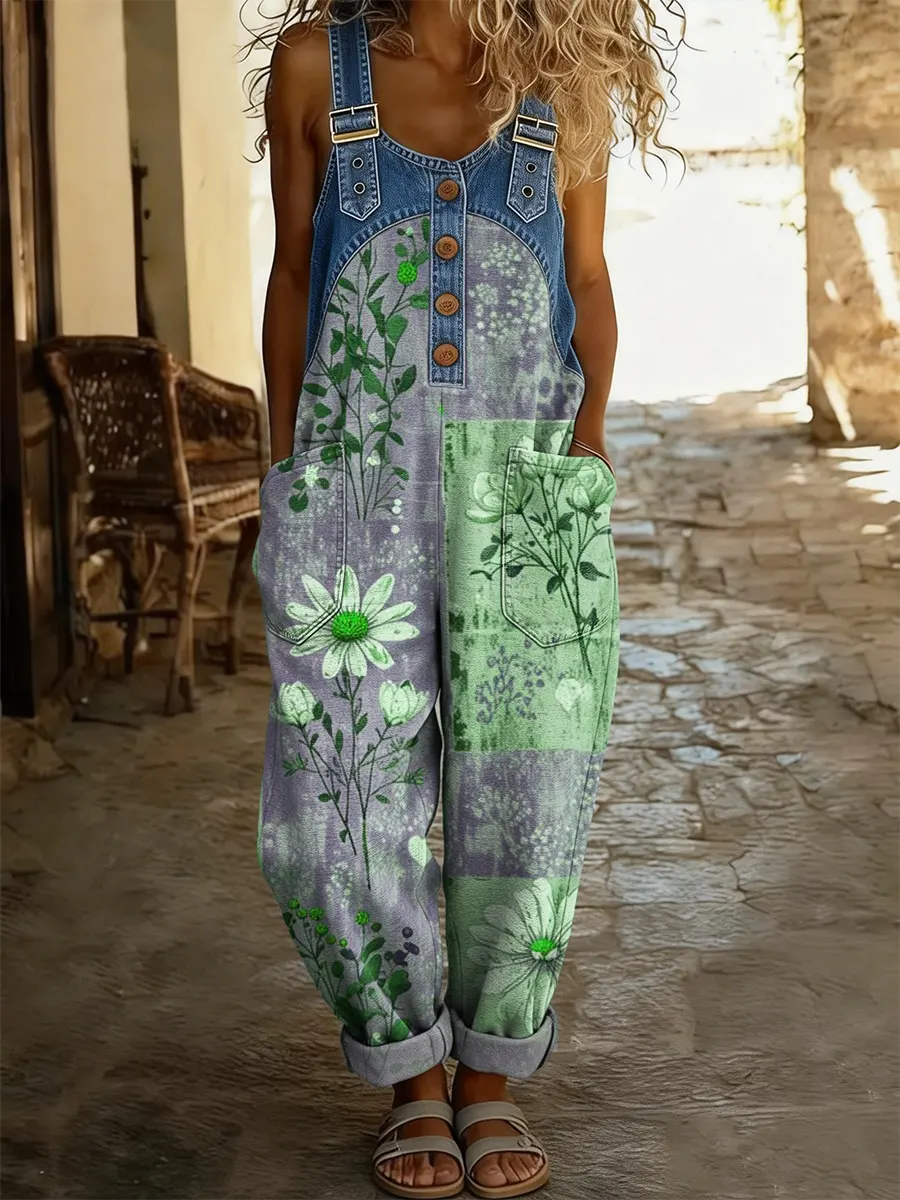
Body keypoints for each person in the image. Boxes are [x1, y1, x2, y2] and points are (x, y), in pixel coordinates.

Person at [251, 1, 676, 1195]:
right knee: (334, 806)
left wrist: (586, 443)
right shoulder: (314, 67)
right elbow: (294, 273)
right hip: (351, 485)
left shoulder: (565, 75)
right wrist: (285, 468)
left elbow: (585, 277)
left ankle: (485, 1081)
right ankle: (409, 1075)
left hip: (527, 489)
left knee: (528, 795)